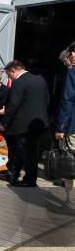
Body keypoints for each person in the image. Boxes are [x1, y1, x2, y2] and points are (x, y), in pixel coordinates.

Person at [0, 60, 50, 187]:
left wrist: (4, 123)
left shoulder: (19, 83)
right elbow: (47, 99)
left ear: (13, 71)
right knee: (23, 150)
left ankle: (30, 180)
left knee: (28, 153)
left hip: (23, 124)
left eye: (8, 75)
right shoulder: (40, 80)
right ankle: (13, 174)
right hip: (40, 123)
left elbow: (13, 105)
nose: (9, 77)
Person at [55, 42, 75, 200]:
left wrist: (60, 127)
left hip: (73, 125)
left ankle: (69, 197)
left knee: (70, 159)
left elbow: (67, 101)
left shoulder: (72, 72)